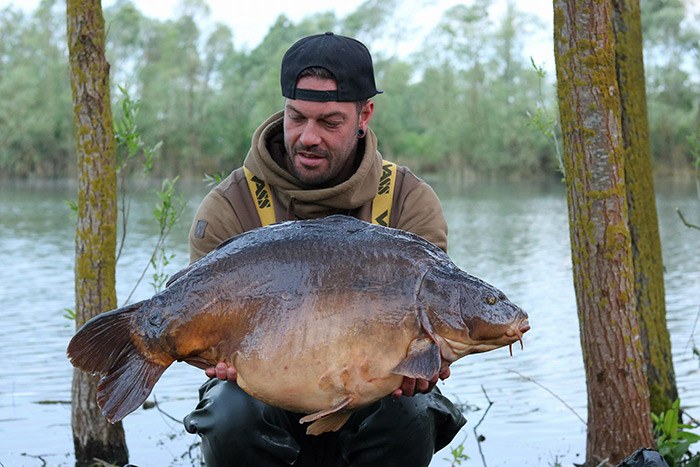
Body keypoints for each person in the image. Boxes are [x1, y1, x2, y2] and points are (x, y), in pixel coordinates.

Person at [183, 31, 466, 467]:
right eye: (296, 117)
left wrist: (421, 366)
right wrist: (212, 356)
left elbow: (435, 320)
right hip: (263, 393)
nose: (308, 137)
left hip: (373, 396)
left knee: (413, 411)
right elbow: (193, 321)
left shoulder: (407, 200)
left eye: (329, 122)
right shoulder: (231, 204)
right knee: (228, 413)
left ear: (364, 115)